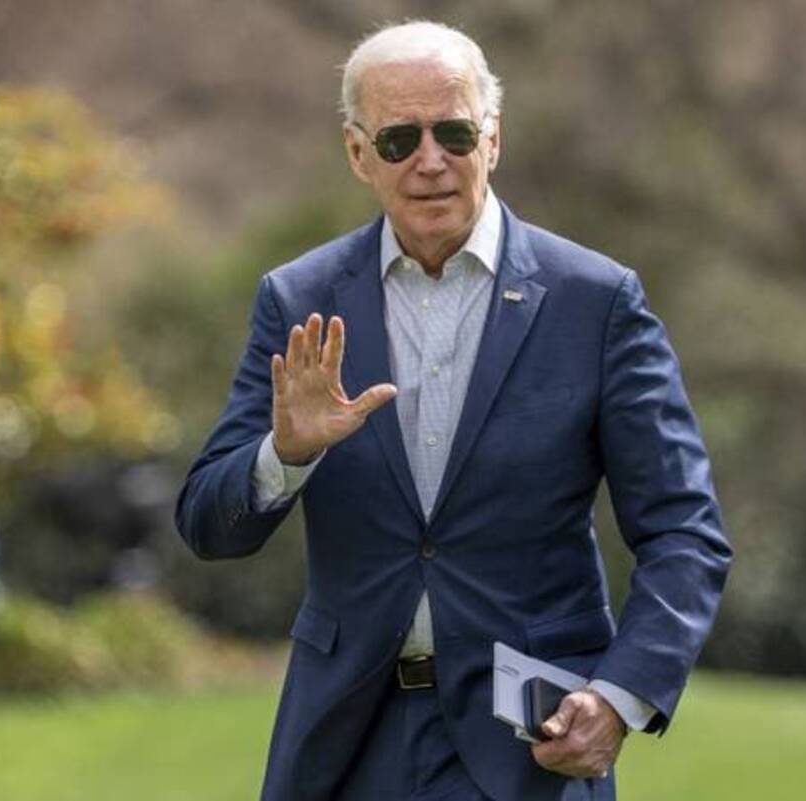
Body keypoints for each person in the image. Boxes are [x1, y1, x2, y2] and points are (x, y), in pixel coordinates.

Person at [175, 20, 731, 801]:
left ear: (493, 139)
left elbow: (684, 532)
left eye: (456, 132)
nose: (431, 161)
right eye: (400, 139)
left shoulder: (596, 302)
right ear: (358, 153)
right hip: (344, 742)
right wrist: (285, 454)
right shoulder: (298, 300)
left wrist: (617, 695)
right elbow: (208, 523)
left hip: (531, 747)